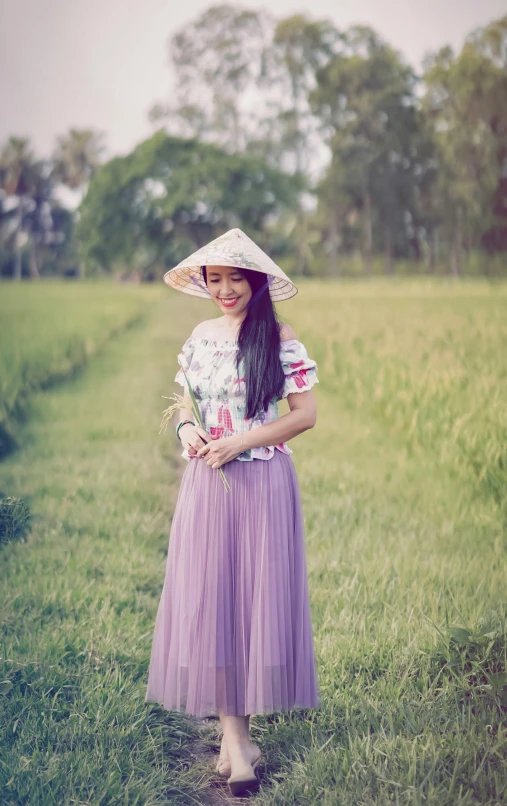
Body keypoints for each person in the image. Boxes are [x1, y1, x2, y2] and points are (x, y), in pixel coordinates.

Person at [145, 228, 321, 797]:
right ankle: (236, 742)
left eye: (235, 278)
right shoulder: (199, 336)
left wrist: (240, 443)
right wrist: (190, 429)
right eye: (215, 279)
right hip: (207, 483)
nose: (224, 289)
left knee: (250, 604)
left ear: (256, 282)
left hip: (261, 479)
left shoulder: (278, 336)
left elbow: (305, 415)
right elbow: (180, 406)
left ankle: (235, 743)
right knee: (212, 600)